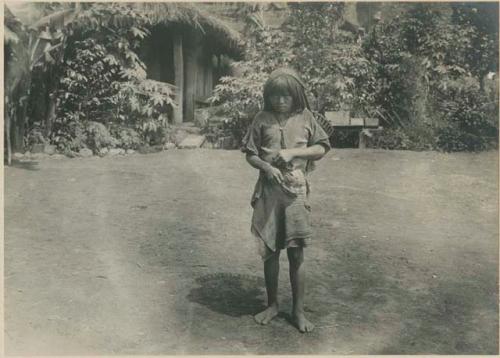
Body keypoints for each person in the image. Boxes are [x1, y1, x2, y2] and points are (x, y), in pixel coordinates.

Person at [241, 68, 331, 333]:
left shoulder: (306, 118)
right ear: (267, 97)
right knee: (270, 252)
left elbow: (322, 147)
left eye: (286, 96)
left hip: (295, 195)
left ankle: (298, 311)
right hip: (269, 194)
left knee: (296, 252)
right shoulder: (261, 119)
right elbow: (250, 153)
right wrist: (267, 168)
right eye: (275, 95)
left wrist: (293, 152)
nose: (280, 100)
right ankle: (272, 304)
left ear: (296, 96)